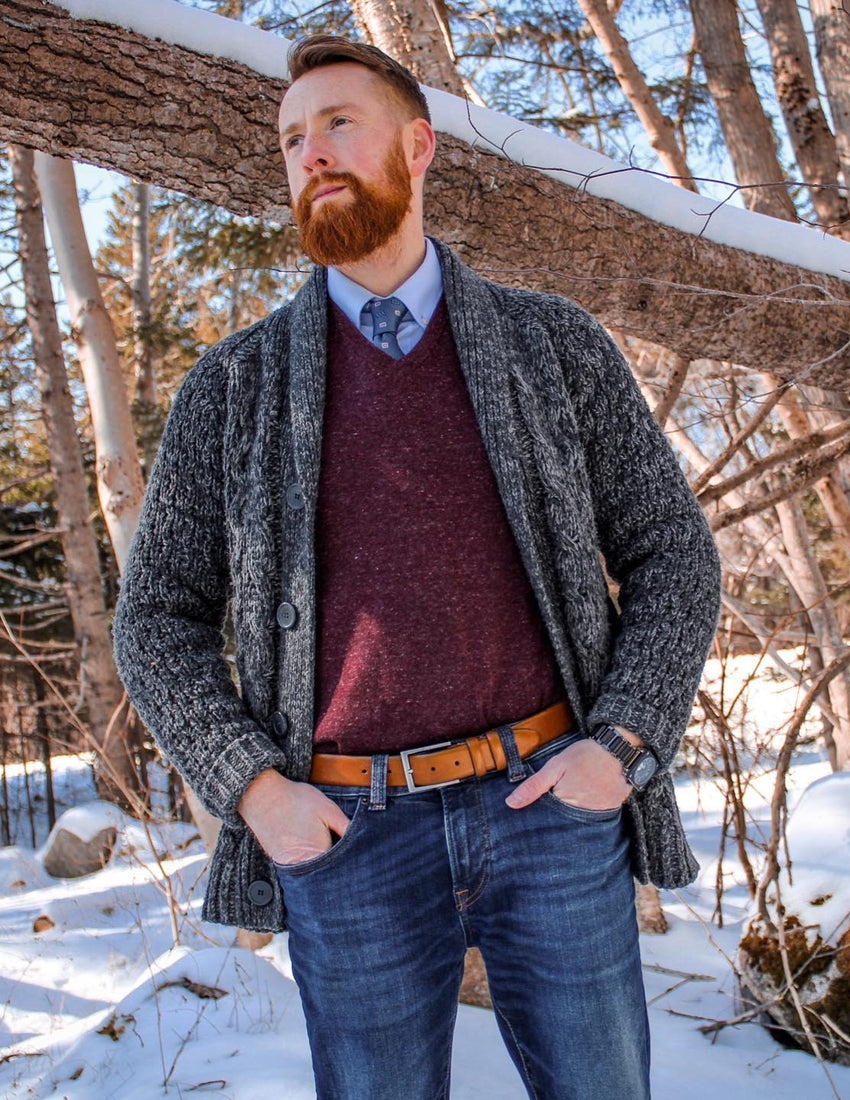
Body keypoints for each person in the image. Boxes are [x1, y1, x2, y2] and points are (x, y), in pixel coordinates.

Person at [113, 33, 721, 1100]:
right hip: (344, 839)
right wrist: (252, 788)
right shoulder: (234, 388)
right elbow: (156, 616)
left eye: (338, 122)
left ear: (419, 144)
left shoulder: (552, 346)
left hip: (549, 811)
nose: (311, 152)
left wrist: (621, 743)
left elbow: (672, 551)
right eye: (291, 137)